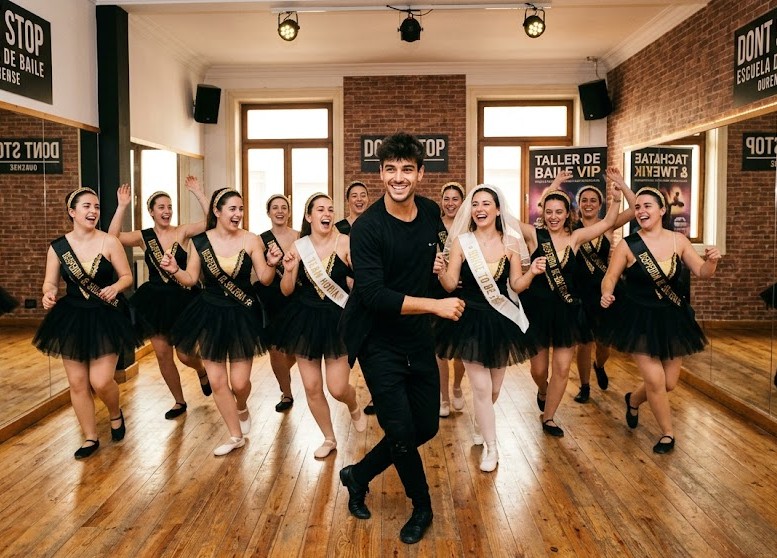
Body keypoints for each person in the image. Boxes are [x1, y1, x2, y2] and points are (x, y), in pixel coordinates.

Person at [338, 132, 465, 545]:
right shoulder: (367, 228)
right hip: (377, 339)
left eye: (407, 169)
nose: (398, 177)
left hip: (417, 335)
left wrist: (437, 267)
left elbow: (430, 259)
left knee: (424, 426)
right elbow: (374, 295)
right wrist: (435, 305)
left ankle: (357, 474)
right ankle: (422, 505)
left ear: (420, 174)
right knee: (399, 428)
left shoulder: (429, 213)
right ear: (380, 174)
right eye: (390, 169)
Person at [160, 188, 282, 456]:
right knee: (217, 381)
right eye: (232, 209)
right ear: (217, 211)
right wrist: (175, 270)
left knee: (240, 383)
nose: (238, 214)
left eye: (241, 209)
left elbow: (265, 279)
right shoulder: (200, 242)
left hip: (242, 314)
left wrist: (272, 263)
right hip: (210, 313)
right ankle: (235, 435)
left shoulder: (251, 239)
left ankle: (242, 405)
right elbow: (191, 279)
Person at [599, 186, 720, 454]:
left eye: (647, 206)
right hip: (639, 318)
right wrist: (606, 292)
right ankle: (667, 434)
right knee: (655, 380)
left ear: (662, 210)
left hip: (672, 317)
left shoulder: (679, 241)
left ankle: (633, 400)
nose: (641, 211)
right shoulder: (628, 245)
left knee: (668, 383)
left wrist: (712, 262)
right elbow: (610, 276)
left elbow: (702, 272)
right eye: (637, 207)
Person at [435, 185, 541, 471]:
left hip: (500, 320)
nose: (479, 209)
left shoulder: (512, 242)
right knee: (481, 388)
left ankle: (482, 423)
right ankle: (492, 448)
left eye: (485, 204)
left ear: (497, 209)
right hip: (469, 320)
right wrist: (441, 271)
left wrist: (532, 272)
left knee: (493, 390)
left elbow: (516, 284)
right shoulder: (462, 242)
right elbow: (450, 285)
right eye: (475, 204)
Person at [518, 170, 631, 438]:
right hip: (538, 312)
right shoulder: (534, 235)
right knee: (539, 370)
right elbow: (506, 219)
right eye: (549, 212)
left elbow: (608, 223)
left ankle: (549, 417)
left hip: (567, 312)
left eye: (559, 212)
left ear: (568, 213)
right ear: (543, 212)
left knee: (561, 368)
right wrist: (486, 198)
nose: (554, 216)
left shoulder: (575, 238)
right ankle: (542, 390)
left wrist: (616, 197)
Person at [33, 187, 140, 459]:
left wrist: (116, 287)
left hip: (106, 315)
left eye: (97, 206)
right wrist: (48, 293)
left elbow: (127, 276)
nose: (93, 211)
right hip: (72, 317)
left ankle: (115, 413)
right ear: (72, 212)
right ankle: (90, 437)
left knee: (101, 381)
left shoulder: (109, 242)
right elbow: (49, 282)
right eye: (87, 206)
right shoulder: (58, 247)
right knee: (78, 382)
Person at [272, 193, 366, 458]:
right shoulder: (299, 246)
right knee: (312, 387)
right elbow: (286, 290)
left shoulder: (345, 242)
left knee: (337, 388)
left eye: (330, 209)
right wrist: (288, 269)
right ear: (309, 216)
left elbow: (362, 282)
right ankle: (328, 438)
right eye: (321, 209)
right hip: (305, 319)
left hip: (338, 321)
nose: (327, 213)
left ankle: (353, 404)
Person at [108, 178, 211, 420]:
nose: (167, 211)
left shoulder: (181, 231)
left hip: (183, 298)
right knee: (163, 355)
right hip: (154, 301)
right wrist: (122, 206)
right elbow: (112, 238)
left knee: (185, 355)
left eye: (169, 206)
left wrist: (198, 192)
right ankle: (179, 401)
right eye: (161, 207)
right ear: (152, 212)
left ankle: (201, 370)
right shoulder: (144, 236)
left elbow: (211, 222)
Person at [573, 169, 637, 403]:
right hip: (579, 292)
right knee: (583, 342)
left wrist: (621, 185)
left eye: (593, 200)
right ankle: (584, 386)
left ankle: (599, 365)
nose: (588, 204)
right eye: (584, 200)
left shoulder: (608, 225)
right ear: (578, 204)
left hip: (604, 291)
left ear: (600, 204)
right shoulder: (571, 228)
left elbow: (636, 209)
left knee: (603, 343)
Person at [254, 194, 299, 412]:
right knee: (275, 349)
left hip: (296, 297)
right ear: (268, 212)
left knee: (295, 349)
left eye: (284, 207)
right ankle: (287, 393)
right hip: (271, 298)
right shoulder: (260, 240)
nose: (280, 211)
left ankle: (283, 375)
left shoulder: (300, 237)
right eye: (275, 207)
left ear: (289, 212)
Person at [435, 182, 467, 417]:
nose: (450, 203)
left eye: (455, 199)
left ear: (462, 202)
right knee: (439, 351)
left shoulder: (469, 226)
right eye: (446, 198)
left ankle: (457, 386)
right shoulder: (433, 225)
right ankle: (443, 396)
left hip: (464, 291)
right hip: (438, 290)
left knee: (461, 350)